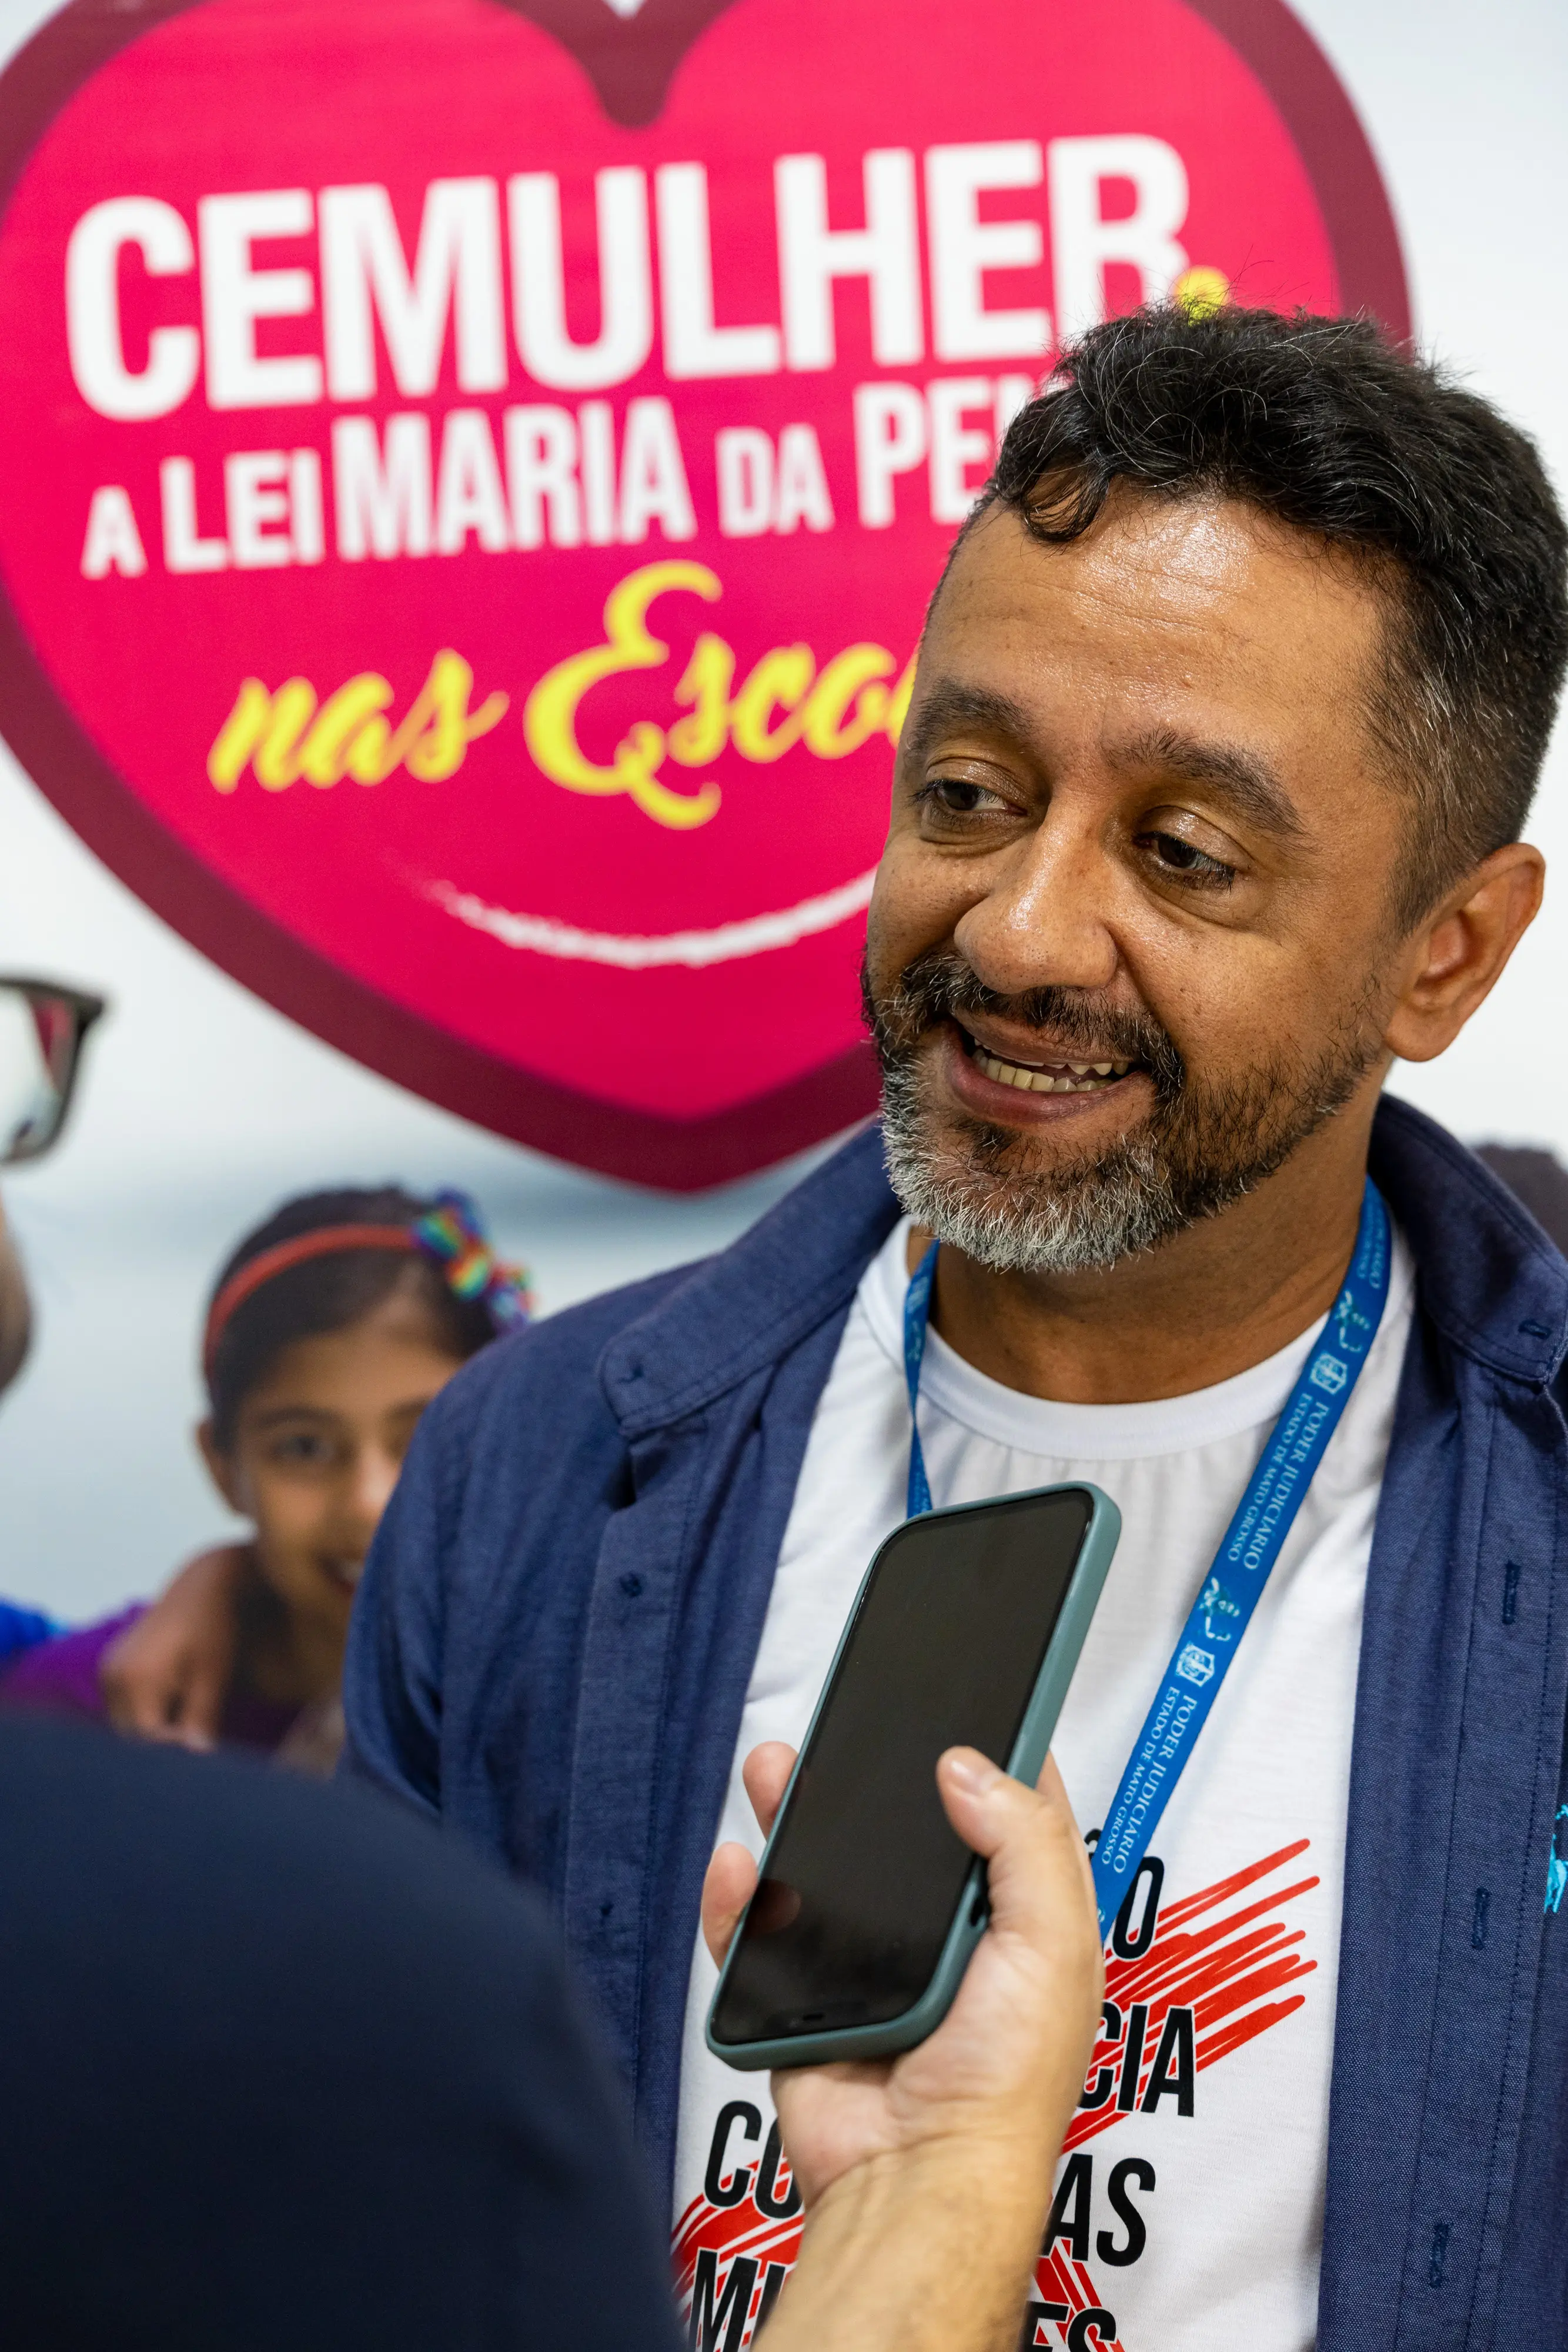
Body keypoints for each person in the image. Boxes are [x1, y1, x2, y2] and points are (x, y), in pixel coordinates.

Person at [344, 302, 1568, 2351]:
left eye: (1179, 854)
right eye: (971, 792)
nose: (1011, 931)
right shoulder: (533, 1473)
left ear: (1436, 956)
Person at [2, 1185, 527, 1769]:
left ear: (521, 1447)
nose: (369, 1501)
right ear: (222, 1466)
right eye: (304, 1447)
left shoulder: (588, 1700)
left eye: (428, 1440)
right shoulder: (74, 1718)